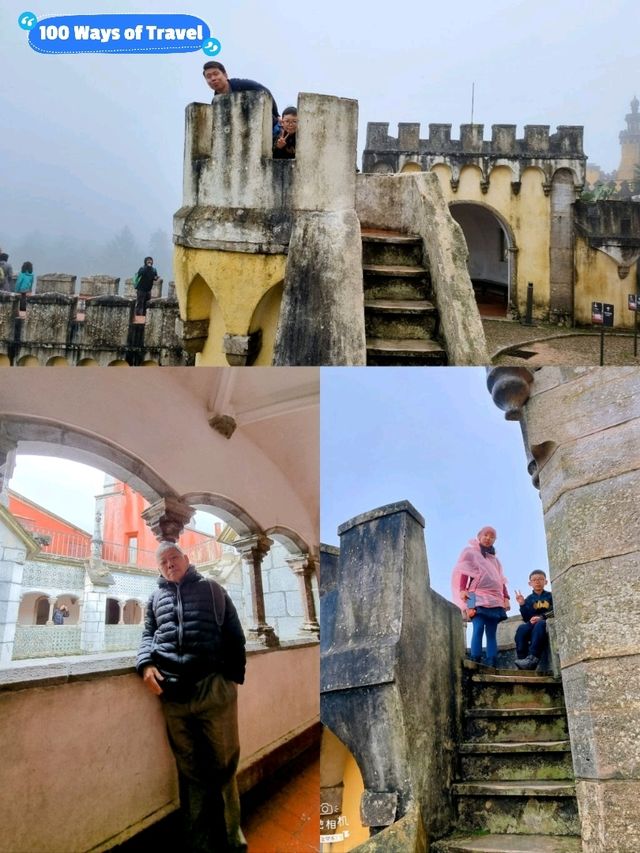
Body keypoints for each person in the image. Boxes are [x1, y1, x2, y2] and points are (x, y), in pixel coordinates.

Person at [137, 542, 247, 852]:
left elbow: (233, 633)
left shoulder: (212, 589)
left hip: (214, 688)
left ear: (187, 559)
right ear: (158, 568)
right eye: (163, 561)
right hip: (173, 693)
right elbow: (147, 635)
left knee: (224, 766)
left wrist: (230, 681)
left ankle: (231, 841)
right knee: (188, 770)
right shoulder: (155, 599)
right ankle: (199, 844)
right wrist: (145, 664)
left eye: (174, 558)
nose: (169, 564)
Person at [451, 526, 510, 668]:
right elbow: (465, 571)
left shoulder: (495, 560)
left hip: (495, 598)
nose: (488, 538)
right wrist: (462, 589)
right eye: (486, 535)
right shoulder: (471, 552)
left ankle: (492, 663)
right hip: (474, 595)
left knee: (491, 633)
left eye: (492, 536)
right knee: (478, 627)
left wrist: (506, 597)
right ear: (479, 536)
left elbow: (500, 580)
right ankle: (475, 660)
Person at [203, 61, 279, 128]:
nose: (213, 78)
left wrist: (277, 115)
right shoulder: (215, 102)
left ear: (225, 75)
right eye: (208, 77)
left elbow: (265, 93)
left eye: (216, 74)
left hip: (270, 127)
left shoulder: (242, 84)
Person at [514, 570, 553, 670]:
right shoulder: (529, 599)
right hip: (532, 624)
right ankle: (522, 659)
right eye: (534, 580)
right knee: (522, 628)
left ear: (546, 582)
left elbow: (554, 611)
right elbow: (526, 617)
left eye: (540, 579)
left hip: (545, 622)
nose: (537, 582)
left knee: (540, 624)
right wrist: (522, 604)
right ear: (530, 583)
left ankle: (532, 659)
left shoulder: (551, 596)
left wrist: (542, 617)